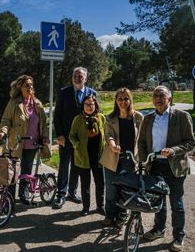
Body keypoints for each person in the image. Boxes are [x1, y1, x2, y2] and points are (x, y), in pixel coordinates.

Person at [138, 86, 195, 252]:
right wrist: (142, 159)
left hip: (174, 166)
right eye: (155, 95)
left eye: (162, 95)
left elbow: (191, 142)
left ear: (169, 98)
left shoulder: (182, 116)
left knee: (176, 202)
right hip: (155, 165)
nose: (158, 98)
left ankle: (179, 236)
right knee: (158, 201)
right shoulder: (148, 118)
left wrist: (174, 150)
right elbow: (141, 141)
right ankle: (159, 229)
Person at [0, 75, 51, 204]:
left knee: (27, 170)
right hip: (16, 143)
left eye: (31, 85)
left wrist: (44, 137)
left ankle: (24, 195)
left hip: (32, 143)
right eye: (27, 85)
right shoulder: (14, 102)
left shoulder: (37, 103)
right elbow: (6, 120)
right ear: (20, 87)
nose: (30, 87)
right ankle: (9, 198)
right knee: (12, 171)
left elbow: (43, 123)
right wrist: (3, 131)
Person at [99, 88, 144, 228]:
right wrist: (113, 145)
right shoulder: (110, 118)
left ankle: (121, 215)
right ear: (116, 101)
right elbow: (108, 135)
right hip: (112, 157)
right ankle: (110, 214)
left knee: (125, 189)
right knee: (111, 188)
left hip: (130, 159)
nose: (123, 102)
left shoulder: (139, 117)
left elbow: (142, 138)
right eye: (120, 99)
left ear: (130, 100)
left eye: (126, 98)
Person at [53, 67, 97, 209]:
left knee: (77, 166)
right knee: (64, 165)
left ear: (86, 78)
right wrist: (59, 134)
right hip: (65, 137)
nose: (77, 78)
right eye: (75, 76)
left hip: (83, 139)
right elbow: (57, 115)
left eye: (80, 76)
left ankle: (72, 191)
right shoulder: (63, 93)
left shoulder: (92, 93)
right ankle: (61, 193)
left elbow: (96, 115)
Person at [69, 94, 106, 216]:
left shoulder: (101, 118)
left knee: (100, 183)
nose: (89, 106)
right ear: (83, 105)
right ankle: (86, 208)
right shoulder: (77, 119)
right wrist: (77, 146)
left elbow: (106, 134)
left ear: (95, 105)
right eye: (86, 104)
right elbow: (72, 136)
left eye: (91, 104)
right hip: (83, 156)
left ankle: (100, 206)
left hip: (98, 156)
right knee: (85, 184)